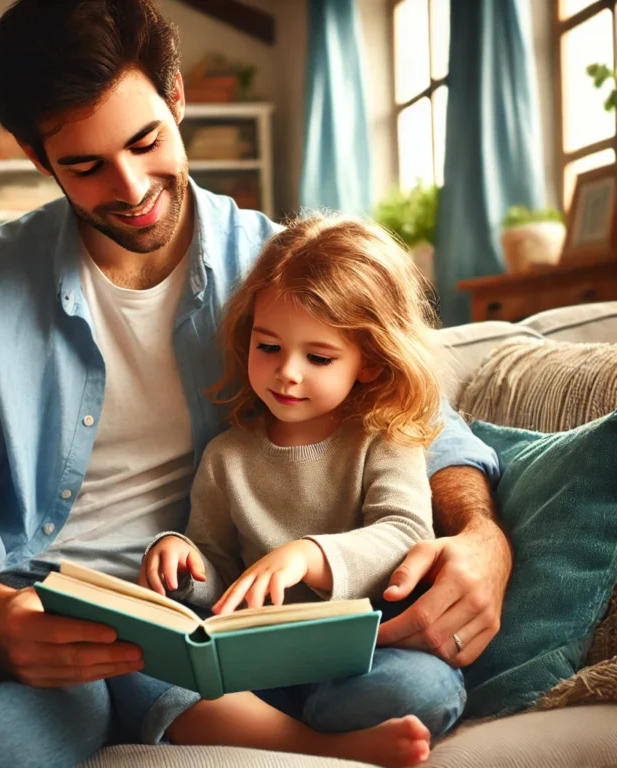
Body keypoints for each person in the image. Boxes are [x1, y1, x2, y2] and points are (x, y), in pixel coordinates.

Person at [0, 1, 510, 767]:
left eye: (146, 140)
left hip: (176, 623)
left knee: (5, 744)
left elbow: (426, 423)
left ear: (177, 96)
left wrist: (482, 537)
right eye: (86, 166)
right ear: (38, 159)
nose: (131, 188)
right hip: (19, 591)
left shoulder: (279, 269)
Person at [136, 214, 466, 767]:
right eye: (268, 347)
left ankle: (292, 731)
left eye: (318, 358)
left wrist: (310, 555)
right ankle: (315, 744)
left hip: (363, 659)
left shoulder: (384, 439)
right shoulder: (228, 457)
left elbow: (405, 532)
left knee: (419, 689)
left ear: (370, 362)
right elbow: (217, 573)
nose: (287, 373)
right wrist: (184, 561)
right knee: (140, 669)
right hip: (258, 667)